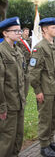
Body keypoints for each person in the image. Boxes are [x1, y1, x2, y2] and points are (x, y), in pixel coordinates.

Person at [29, 17, 55, 157]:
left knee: (53, 117)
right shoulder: (39, 48)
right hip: (45, 90)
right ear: (44, 30)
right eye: (53, 27)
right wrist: (37, 91)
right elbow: (33, 73)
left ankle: (50, 141)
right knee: (45, 118)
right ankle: (44, 146)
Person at [0, 17, 26, 157]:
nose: (19, 33)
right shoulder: (1, 51)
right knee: (7, 139)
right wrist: (2, 107)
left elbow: (23, 77)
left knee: (18, 136)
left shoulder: (18, 51)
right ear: (5, 33)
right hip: (8, 105)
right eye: (15, 31)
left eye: (19, 30)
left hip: (19, 103)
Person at [16, 27, 31, 98]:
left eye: (28, 31)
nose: (27, 33)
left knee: (28, 71)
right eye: (25, 31)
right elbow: (17, 49)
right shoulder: (19, 41)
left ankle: (27, 80)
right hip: (22, 58)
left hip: (29, 58)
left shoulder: (30, 40)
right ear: (23, 32)